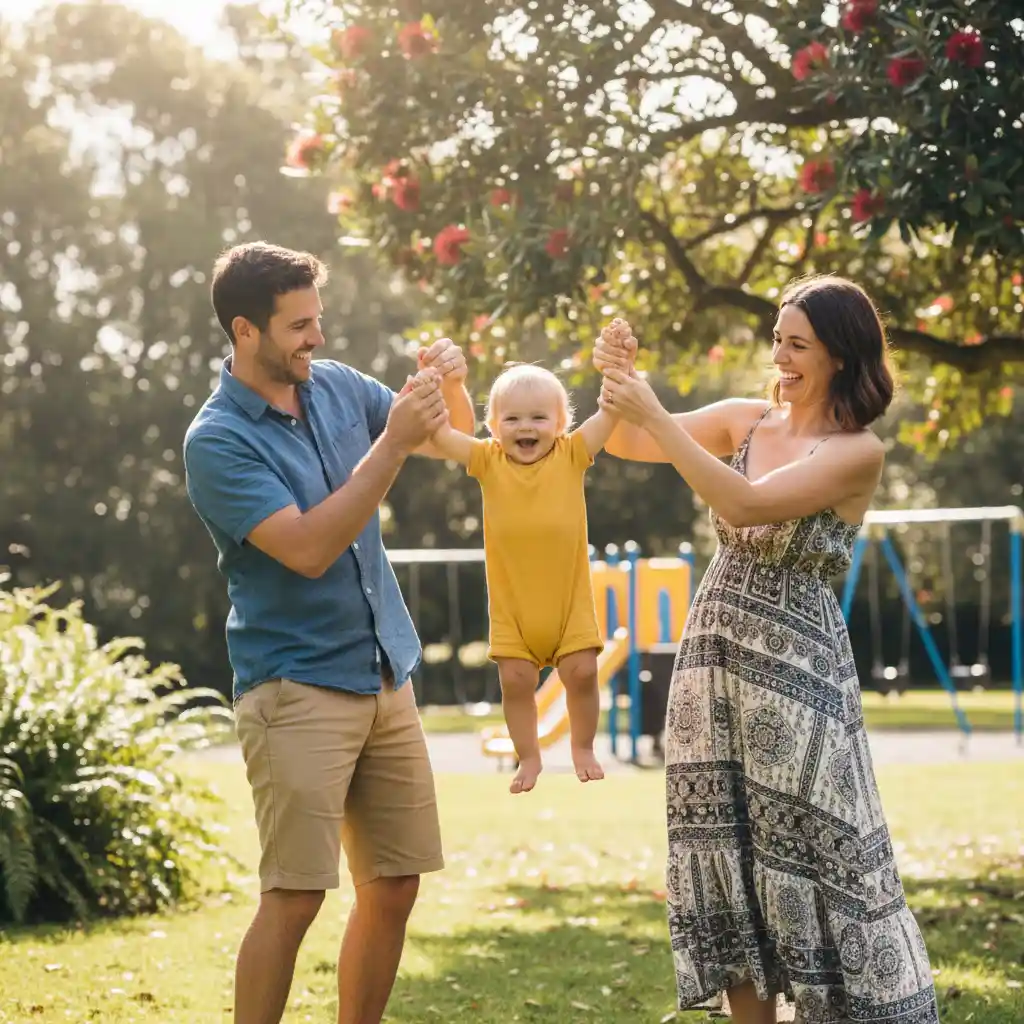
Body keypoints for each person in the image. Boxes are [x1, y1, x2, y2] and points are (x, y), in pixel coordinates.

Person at [593, 276, 939, 1024]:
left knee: (815, 850)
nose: (780, 355)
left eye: (798, 343)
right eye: (777, 338)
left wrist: (654, 409)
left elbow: (745, 503)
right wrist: (618, 380)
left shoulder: (858, 452)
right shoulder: (744, 419)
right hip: (714, 655)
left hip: (800, 670)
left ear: (842, 356)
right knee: (724, 849)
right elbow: (625, 439)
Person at [182, 241, 476, 1024]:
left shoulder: (339, 386)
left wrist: (451, 384)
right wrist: (392, 443)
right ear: (245, 330)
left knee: (395, 884)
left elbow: (458, 445)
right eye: (298, 326)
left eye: (318, 319)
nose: (316, 338)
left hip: (384, 673)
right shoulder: (216, 442)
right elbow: (309, 548)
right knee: (295, 896)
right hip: (295, 686)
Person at [427, 347, 627, 794]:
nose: (526, 428)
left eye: (539, 418)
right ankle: (530, 756)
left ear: (560, 424)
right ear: (493, 427)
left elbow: (609, 414)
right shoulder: (486, 459)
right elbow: (441, 437)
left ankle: (583, 747)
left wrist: (617, 370)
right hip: (514, 609)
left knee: (581, 674)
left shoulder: (572, 453)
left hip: (567, 604)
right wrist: (449, 385)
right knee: (515, 682)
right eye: (512, 419)